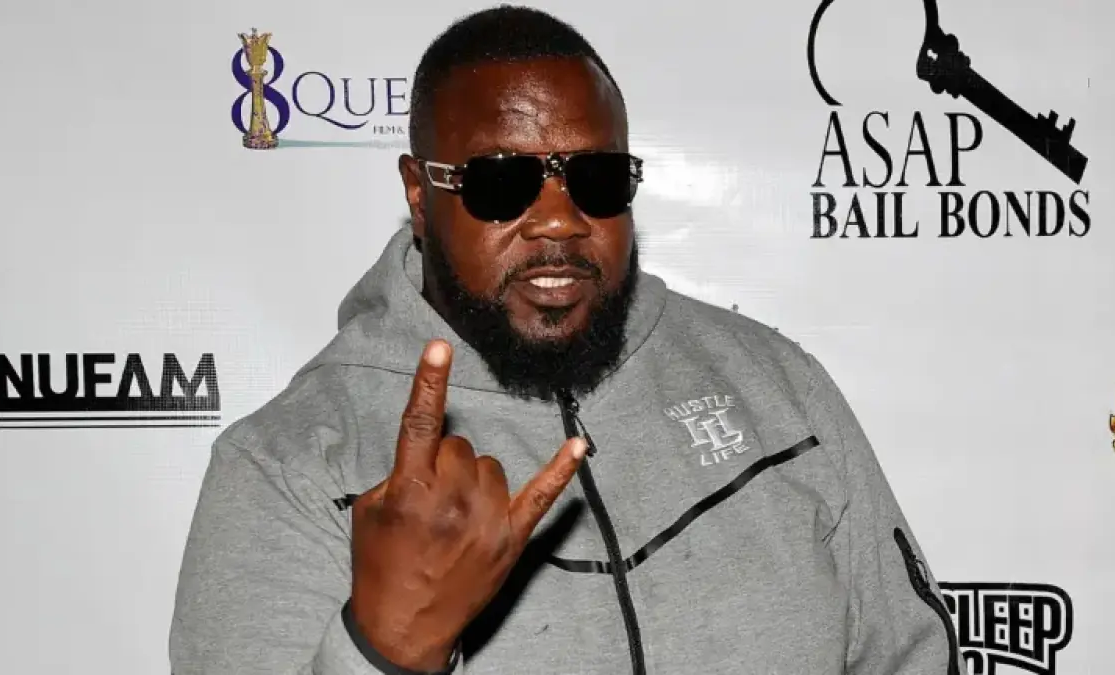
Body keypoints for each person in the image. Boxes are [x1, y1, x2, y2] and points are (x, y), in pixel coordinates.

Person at [170, 5, 966, 674]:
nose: (558, 220)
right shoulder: (293, 465)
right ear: (419, 194)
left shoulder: (775, 384)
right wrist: (381, 654)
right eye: (501, 182)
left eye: (596, 177)